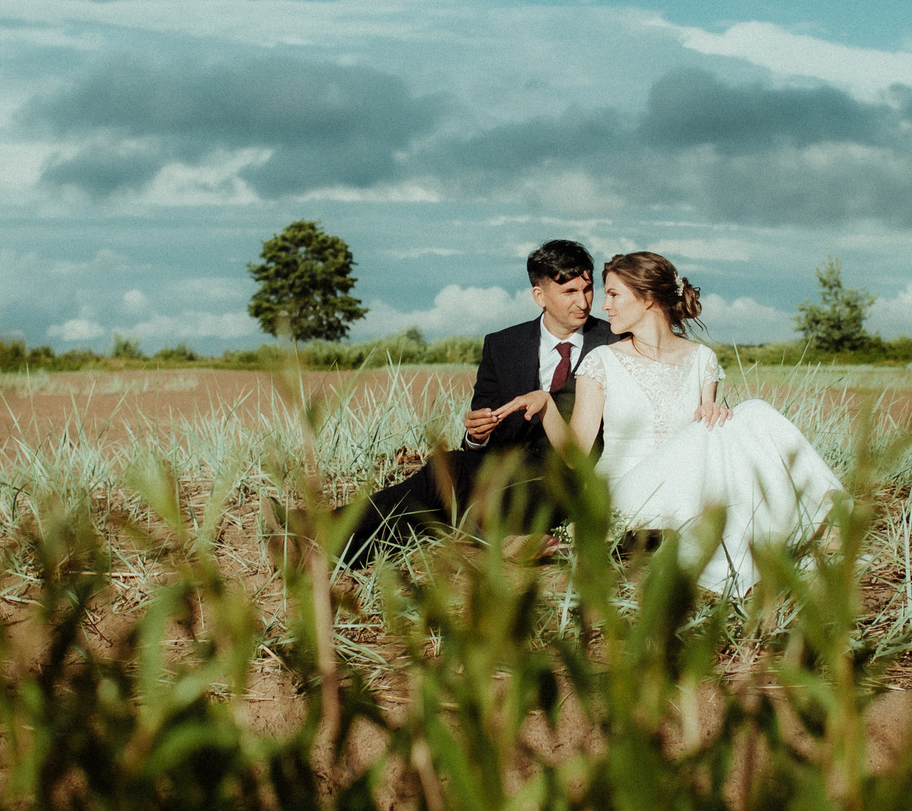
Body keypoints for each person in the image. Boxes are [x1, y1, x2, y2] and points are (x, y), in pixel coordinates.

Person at [550, 250, 843, 594]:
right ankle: (798, 530)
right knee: (715, 430)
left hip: (689, 485)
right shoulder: (601, 361)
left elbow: (710, 437)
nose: (605, 306)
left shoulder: (702, 358)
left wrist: (715, 411)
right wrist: (545, 407)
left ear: (646, 299)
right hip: (625, 491)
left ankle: (826, 520)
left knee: (753, 410)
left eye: (613, 294)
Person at [337, 239, 617, 568]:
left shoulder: (614, 340)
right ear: (539, 296)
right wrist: (477, 435)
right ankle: (336, 549)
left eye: (587, 290)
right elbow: (476, 438)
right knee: (446, 481)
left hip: (571, 485)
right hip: (503, 480)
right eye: (569, 292)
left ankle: (327, 538)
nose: (582, 302)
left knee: (446, 478)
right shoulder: (501, 346)